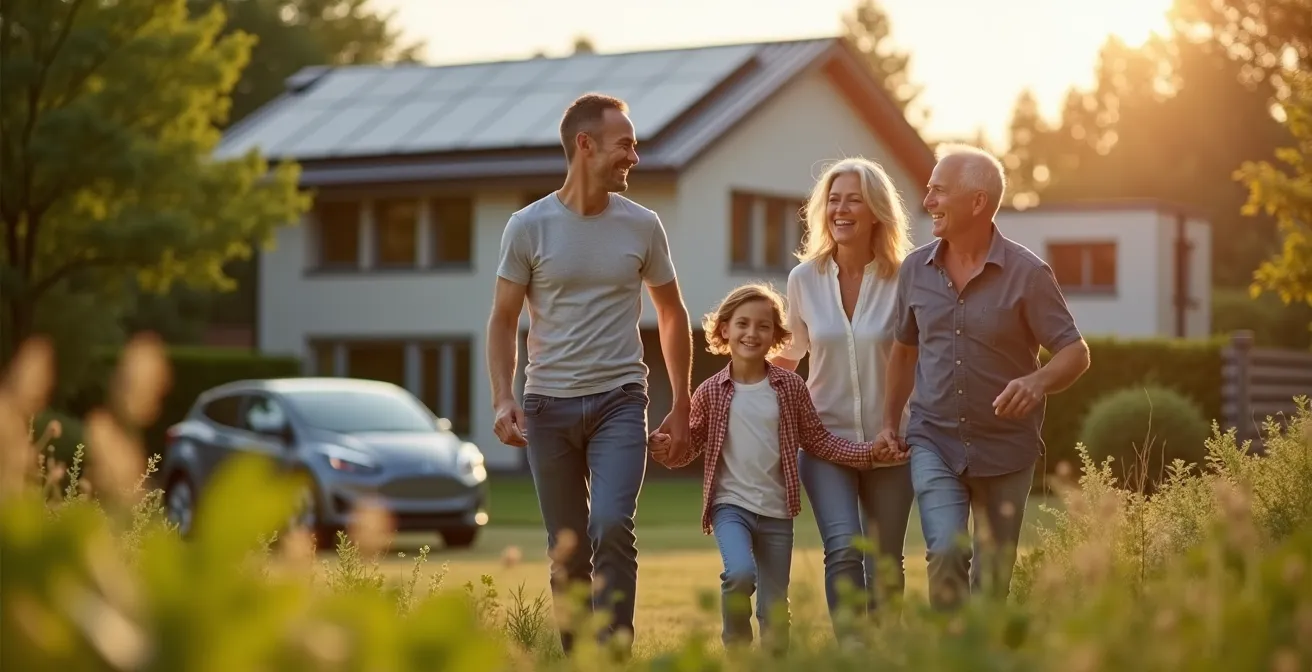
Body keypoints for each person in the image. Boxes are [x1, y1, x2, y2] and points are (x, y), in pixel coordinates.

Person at [485, 93, 694, 655]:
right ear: (585, 144)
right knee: (568, 547)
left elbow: (672, 313)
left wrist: (681, 402)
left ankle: (617, 654)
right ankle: (580, 658)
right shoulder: (528, 227)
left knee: (610, 525)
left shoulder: (643, 226)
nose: (635, 156)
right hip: (547, 408)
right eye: (625, 144)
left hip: (620, 401)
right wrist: (503, 397)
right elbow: (503, 321)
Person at [880, 144, 1091, 610]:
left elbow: (1075, 352)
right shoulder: (916, 269)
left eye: (939, 192)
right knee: (946, 553)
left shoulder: (1029, 273)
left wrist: (1036, 383)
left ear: (977, 201)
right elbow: (903, 351)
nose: (928, 202)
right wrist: (890, 422)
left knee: (993, 578)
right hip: (933, 437)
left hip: (1006, 447)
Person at [649, 283, 907, 653]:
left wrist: (869, 454)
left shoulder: (789, 387)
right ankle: (737, 652)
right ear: (724, 329)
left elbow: (818, 440)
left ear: (776, 336)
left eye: (763, 326)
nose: (751, 333)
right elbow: (691, 445)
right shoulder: (710, 391)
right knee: (739, 574)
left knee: (774, 606)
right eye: (742, 324)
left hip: (776, 512)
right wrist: (666, 449)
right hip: (730, 506)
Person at [769, 157, 916, 631]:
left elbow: (922, 359)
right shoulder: (803, 280)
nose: (841, 209)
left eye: (853, 199)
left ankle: (886, 652)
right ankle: (851, 654)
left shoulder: (906, 277)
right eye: (833, 200)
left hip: (894, 443)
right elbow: (788, 359)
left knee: (886, 560)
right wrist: (740, 405)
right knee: (843, 548)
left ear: (876, 210)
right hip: (825, 441)